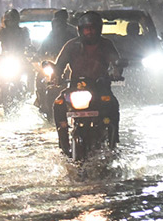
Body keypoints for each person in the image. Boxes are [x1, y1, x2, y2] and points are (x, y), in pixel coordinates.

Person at [52, 11, 122, 152]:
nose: (90, 32)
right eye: (86, 29)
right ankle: (63, 144)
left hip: (100, 88)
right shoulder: (71, 46)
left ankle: (113, 144)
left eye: (93, 28)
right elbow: (59, 65)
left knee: (112, 105)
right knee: (58, 104)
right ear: (80, 30)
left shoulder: (106, 45)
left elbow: (116, 62)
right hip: (75, 88)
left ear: (99, 29)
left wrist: (116, 71)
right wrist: (56, 76)